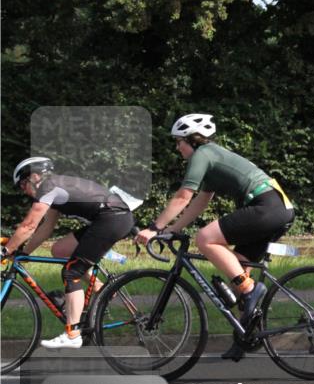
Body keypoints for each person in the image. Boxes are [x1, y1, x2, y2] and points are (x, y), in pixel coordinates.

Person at [134, 114, 294, 360]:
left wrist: (154, 228)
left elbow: (183, 197)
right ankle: (245, 337)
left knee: (205, 239)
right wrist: (173, 230)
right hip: (278, 208)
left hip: (266, 206)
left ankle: (250, 290)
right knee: (238, 267)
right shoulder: (212, 157)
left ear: (192, 140)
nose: (177, 148)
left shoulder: (203, 154)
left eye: (179, 142)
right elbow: (200, 202)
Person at [1, 157, 136, 349]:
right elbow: (45, 228)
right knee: (60, 250)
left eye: (23, 184)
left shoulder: (48, 187)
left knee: (71, 273)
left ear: (35, 176)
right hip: (111, 218)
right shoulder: (54, 187)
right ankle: (102, 289)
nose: (23, 190)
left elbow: (28, 225)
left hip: (112, 219)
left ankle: (72, 334)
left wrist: (6, 250)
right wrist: (23, 253)